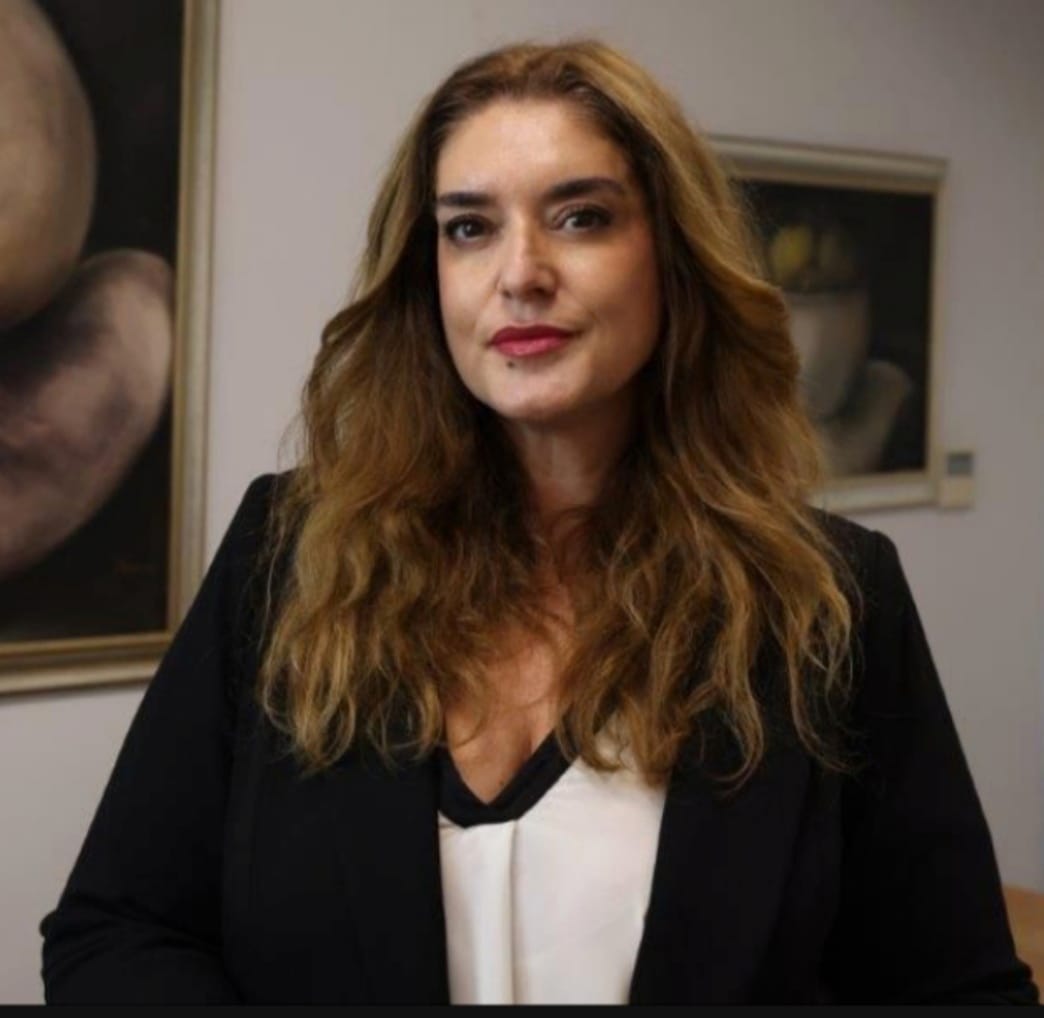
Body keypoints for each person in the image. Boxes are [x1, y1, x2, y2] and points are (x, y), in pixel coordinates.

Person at [39, 39, 1038, 1005]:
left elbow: (962, 990)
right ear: (428, 274)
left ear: (673, 257)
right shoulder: (289, 554)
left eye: (581, 218)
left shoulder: (830, 600)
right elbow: (115, 930)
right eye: (470, 228)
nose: (520, 272)